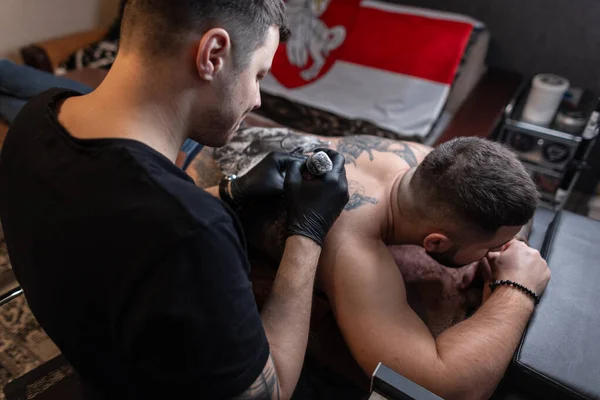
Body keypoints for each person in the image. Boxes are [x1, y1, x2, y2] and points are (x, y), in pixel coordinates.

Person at [0, 1, 351, 399]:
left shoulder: (34, 117)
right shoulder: (192, 232)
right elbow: (271, 394)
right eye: (258, 75)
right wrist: (307, 231)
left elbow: (116, 219)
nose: (257, 100)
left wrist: (231, 191)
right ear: (213, 55)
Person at [186, 125, 551, 400]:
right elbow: (445, 384)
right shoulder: (353, 245)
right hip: (188, 180)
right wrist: (518, 288)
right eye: (497, 245)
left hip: (241, 138)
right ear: (435, 242)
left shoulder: (429, 162)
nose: (505, 250)